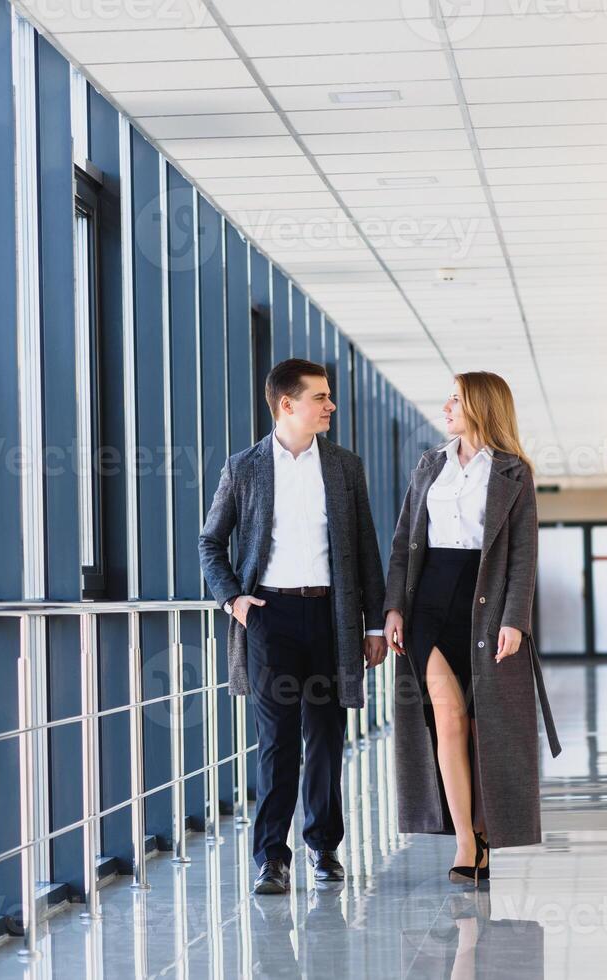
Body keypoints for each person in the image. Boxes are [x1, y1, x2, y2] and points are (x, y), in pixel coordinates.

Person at [199, 358, 388, 895]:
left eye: (329, 397)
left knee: (327, 737)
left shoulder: (345, 467)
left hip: (331, 618)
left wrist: (374, 625)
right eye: (321, 398)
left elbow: (365, 550)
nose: (330, 406)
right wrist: (233, 597)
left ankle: (324, 847)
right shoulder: (244, 467)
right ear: (287, 404)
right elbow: (210, 542)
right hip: (269, 618)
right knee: (277, 741)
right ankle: (270, 858)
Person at [383, 371, 561, 885]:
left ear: (481, 406)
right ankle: (466, 839)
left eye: (455, 399)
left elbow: (524, 552)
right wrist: (393, 608)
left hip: (485, 605)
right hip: (428, 604)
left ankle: (486, 826)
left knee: (486, 726)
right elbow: (401, 543)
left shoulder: (513, 473)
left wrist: (515, 621)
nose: (446, 407)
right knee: (449, 719)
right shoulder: (428, 465)